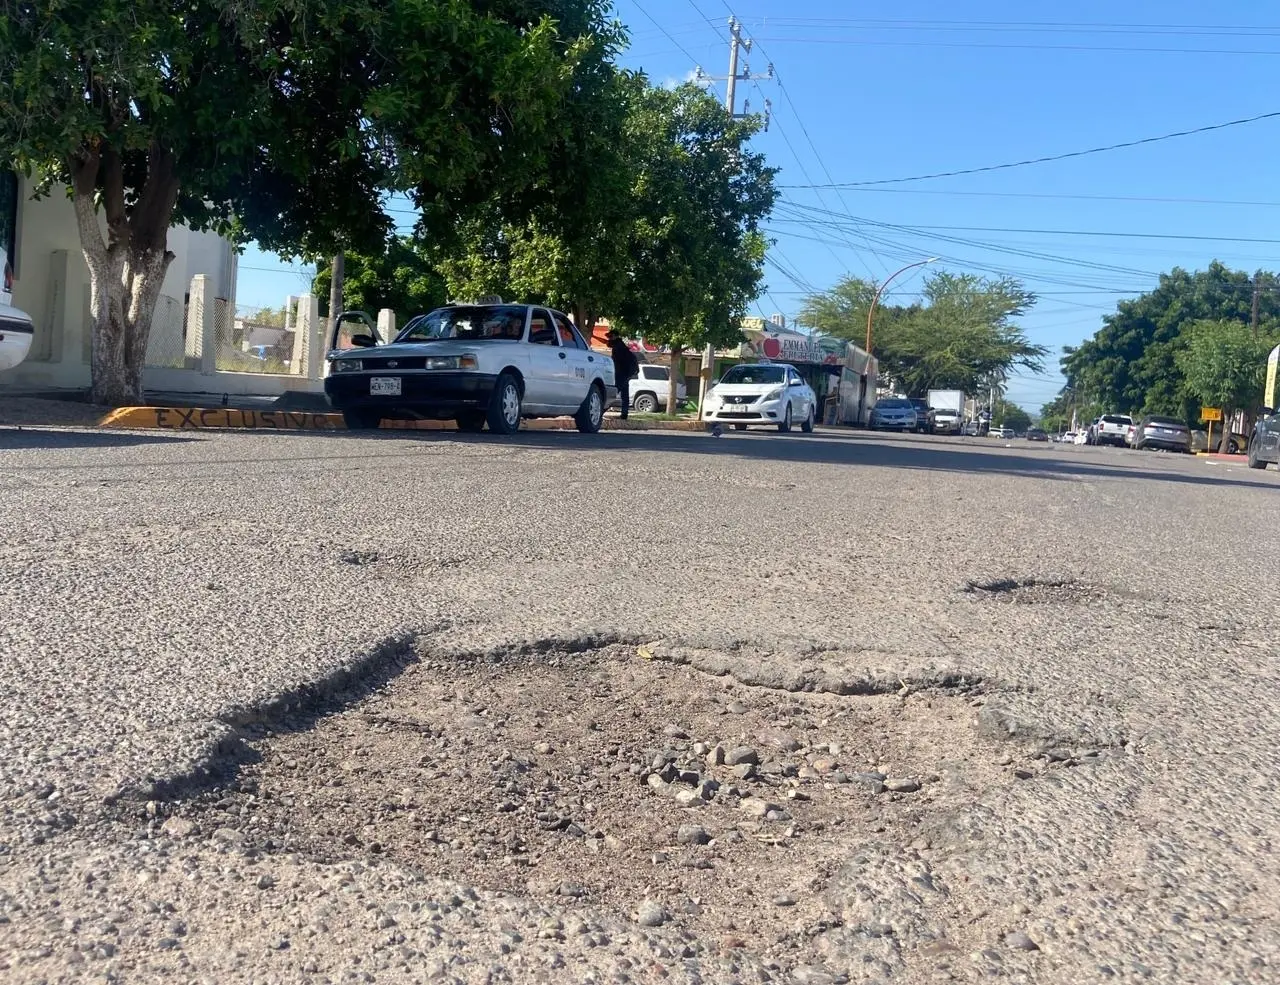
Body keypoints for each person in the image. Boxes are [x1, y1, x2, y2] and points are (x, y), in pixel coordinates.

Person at [607, 330, 639, 419]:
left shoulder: (618, 347)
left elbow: (617, 362)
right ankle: (624, 414)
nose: (609, 339)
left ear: (615, 336)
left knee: (612, 393)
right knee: (624, 395)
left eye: (610, 337)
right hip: (625, 374)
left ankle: (601, 411)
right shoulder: (620, 345)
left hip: (621, 374)